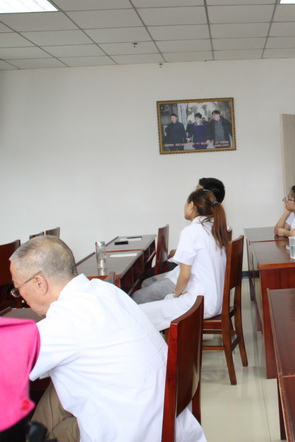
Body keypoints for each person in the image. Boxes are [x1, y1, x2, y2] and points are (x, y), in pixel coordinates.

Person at [9, 236, 205, 442]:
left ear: (39, 283)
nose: (21, 296)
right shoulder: (105, 289)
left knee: (33, 426)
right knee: (53, 390)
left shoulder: (65, 321)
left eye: (17, 288)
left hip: (130, 432)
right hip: (164, 416)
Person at [135, 189, 229, 330]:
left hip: (199, 303)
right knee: (160, 304)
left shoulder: (191, 231)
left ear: (191, 205)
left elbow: (184, 276)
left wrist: (176, 295)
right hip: (218, 302)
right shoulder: (216, 228)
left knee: (138, 313)